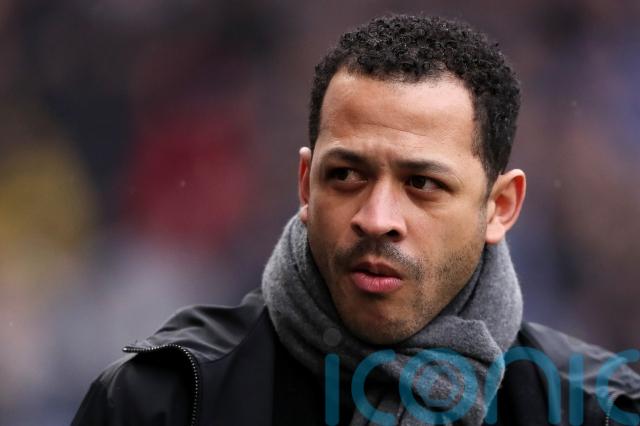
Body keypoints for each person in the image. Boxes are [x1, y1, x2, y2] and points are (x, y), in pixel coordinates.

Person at [72, 14, 639, 426]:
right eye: (346, 175)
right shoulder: (166, 400)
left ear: (501, 207)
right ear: (305, 184)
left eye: (423, 184)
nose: (377, 218)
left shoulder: (602, 411)